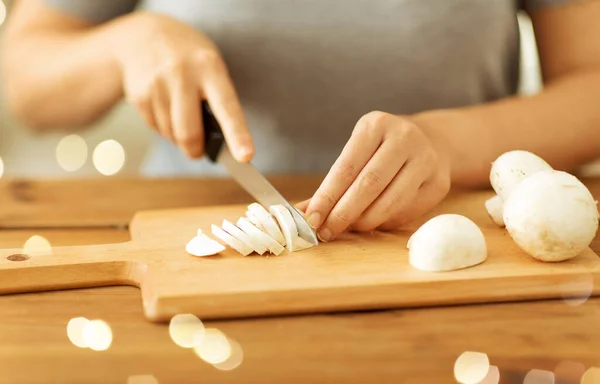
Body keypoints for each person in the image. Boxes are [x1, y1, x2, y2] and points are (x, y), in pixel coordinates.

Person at [1, 0, 599, 243]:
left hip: (455, 248)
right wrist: (119, 46)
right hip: (191, 244)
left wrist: (450, 143)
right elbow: (21, 77)